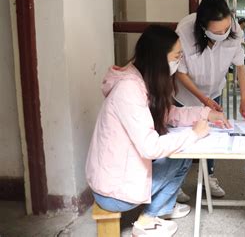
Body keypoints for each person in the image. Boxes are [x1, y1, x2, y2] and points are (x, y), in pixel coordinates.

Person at [85, 25, 229, 237]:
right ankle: (149, 219)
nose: (179, 62)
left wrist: (205, 114)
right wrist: (194, 134)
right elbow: (150, 147)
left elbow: (168, 114)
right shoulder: (129, 90)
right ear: (158, 58)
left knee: (180, 152)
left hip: (117, 176)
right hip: (114, 191)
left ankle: (163, 207)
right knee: (181, 156)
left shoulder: (141, 79)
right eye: (177, 56)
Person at [174, 0, 245, 199]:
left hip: (214, 92)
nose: (223, 33)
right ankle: (175, 185)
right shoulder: (185, 31)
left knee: (212, 135)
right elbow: (180, 73)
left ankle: (209, 177)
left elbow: (240, 66)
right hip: (185, 95)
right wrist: (203, 100)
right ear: (203, 27)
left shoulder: (235, 29)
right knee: (183, 138)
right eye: (217, 31)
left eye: (226, 29)